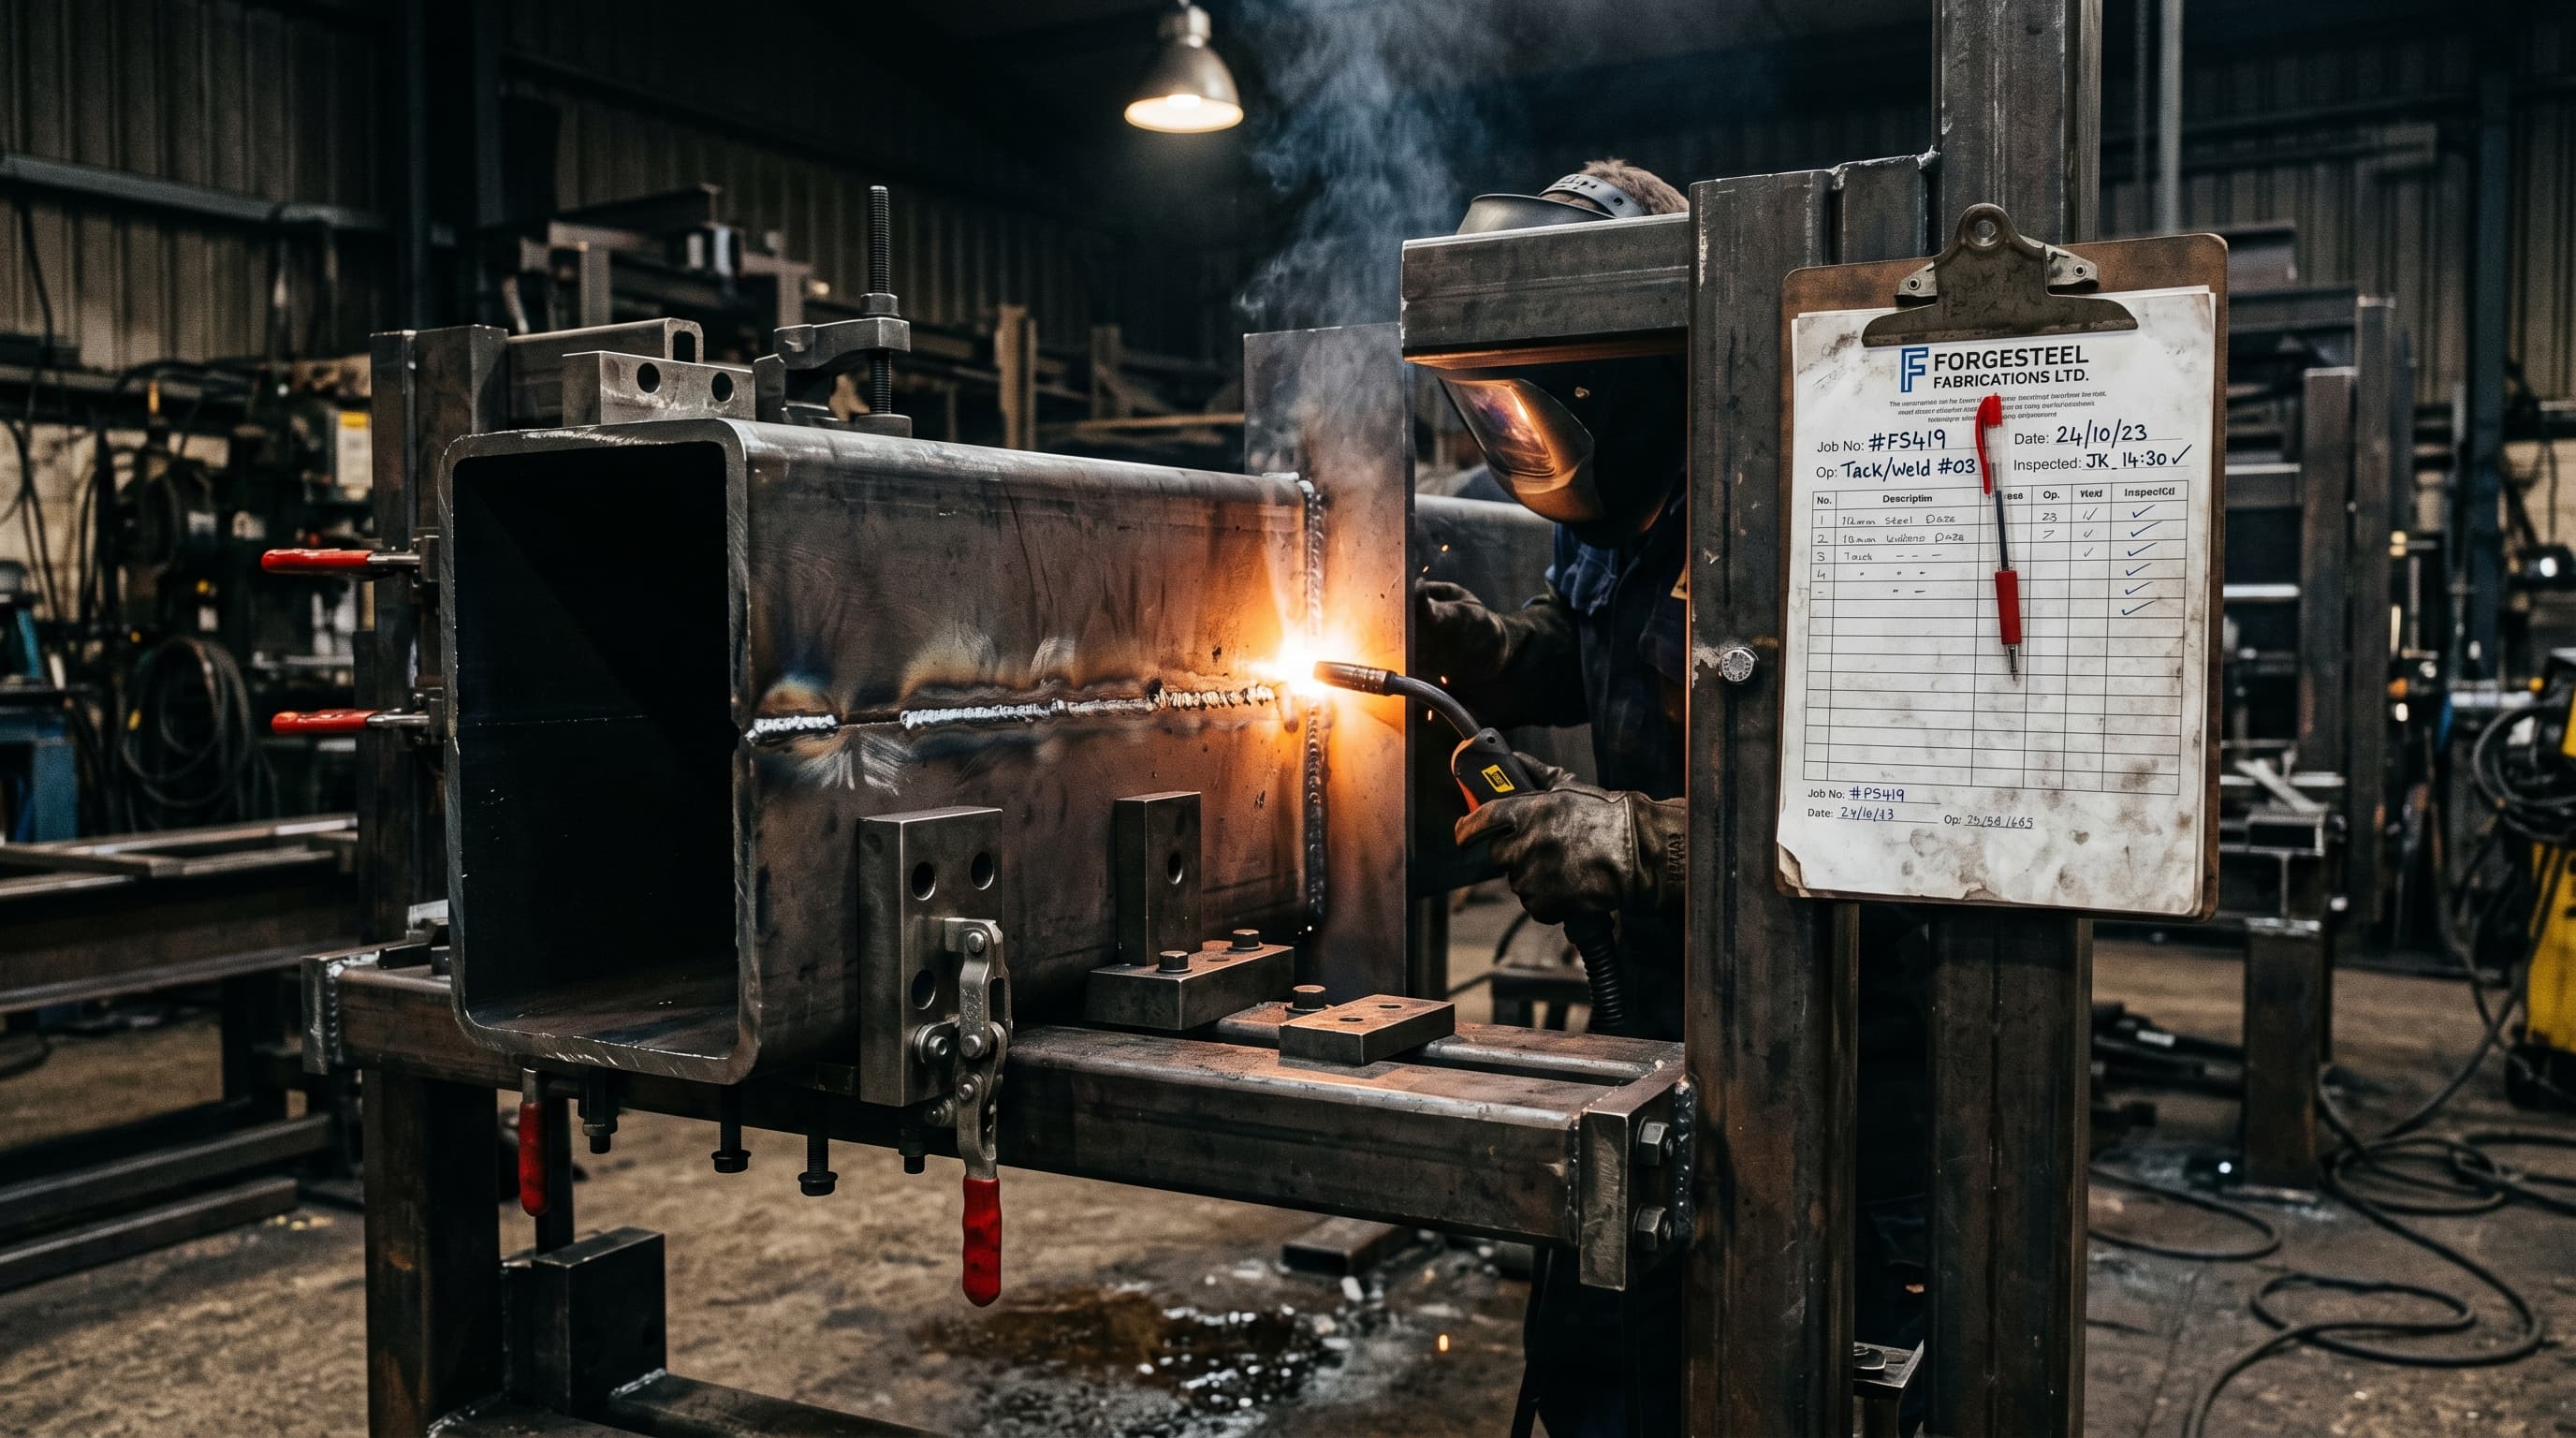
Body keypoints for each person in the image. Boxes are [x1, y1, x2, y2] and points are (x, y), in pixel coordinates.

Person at [1418, 159, 1930, 1437]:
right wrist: (1487, 652)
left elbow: (1886, 815)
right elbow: (1583, 641)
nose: (1519, 447)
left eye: (1533, 414)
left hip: (1836, 1067)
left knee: (1787, 1382)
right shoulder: (1617, 514)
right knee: (1612, 1368)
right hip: (1658, 1033)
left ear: (1632, 378)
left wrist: (1638, 844)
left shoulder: (1803, 500)